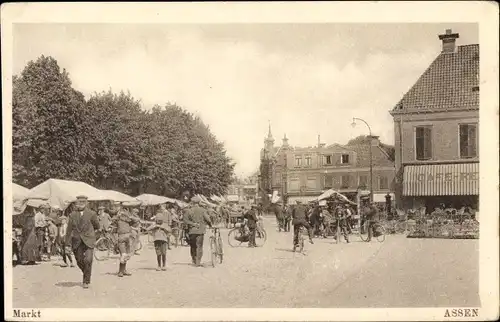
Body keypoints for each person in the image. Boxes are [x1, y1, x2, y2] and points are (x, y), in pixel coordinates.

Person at [65, 195, 100, 289]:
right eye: (79, 202)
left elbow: (97, 226)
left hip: (89, 240)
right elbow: (68, 231)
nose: (81, 204)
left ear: (86, 203)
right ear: (76, 203)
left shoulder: (92, 214)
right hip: (77, 241)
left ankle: (86, 280)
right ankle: (86, 272)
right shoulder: (72, 215)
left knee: (88, 260)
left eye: (83, 202)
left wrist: (92, 235)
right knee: (79, 260)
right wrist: (67, 244)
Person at [110, 201, 140, 277]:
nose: (116, 208)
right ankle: (120, 271)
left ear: (120, 206)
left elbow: (136, 221)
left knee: (126, 254)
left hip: (128, 236)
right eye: (115, 206)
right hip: (121, 237)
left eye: (117, 206)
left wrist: (129, 218)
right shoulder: (116, 217)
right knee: (123, 254)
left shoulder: (126, 214)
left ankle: (124, 270)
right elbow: (113, 227)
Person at [183, 196, 212, 267]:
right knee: (199, 246)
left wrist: (192, 224)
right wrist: (210, 224)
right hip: (200, 231)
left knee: (193, 246)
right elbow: (208, 219)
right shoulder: (203, 210)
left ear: (192, 202)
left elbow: (185, 220)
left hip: (191, 231)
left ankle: (194, 259)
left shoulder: (188, 211)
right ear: (199, 202)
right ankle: (198, 262)